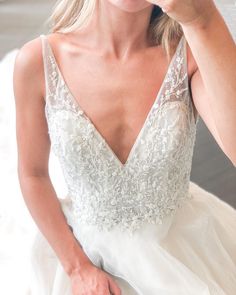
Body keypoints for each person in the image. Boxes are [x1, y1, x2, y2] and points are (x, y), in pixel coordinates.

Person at [7, 0, 236, 294]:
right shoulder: (38, 61)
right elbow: (33, 174)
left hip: (180, 253)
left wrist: (203, 20)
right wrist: (77, 268)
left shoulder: (189, 55)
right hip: (80, 252)